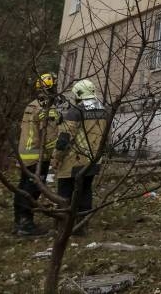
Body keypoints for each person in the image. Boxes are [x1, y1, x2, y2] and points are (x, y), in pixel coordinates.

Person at [53, 79, 109, 235]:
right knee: (85, 191)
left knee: (65, 192)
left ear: (78, 94)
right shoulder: (104, 111)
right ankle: (81, 226)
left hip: (73, 160)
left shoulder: (75, 111)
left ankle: (63, 226)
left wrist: (56, 158)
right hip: (93, 160)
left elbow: (65, 138)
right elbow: (106, 138)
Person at [13, 72, 60, 236]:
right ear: (51, 88)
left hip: (25, 153)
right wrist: (56, 155)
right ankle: (26, 225)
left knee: (23, 187)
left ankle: (19, 220)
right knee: (32, 190)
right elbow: (50, 137)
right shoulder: (48, 109)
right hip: (37, 155)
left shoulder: (32, 105)